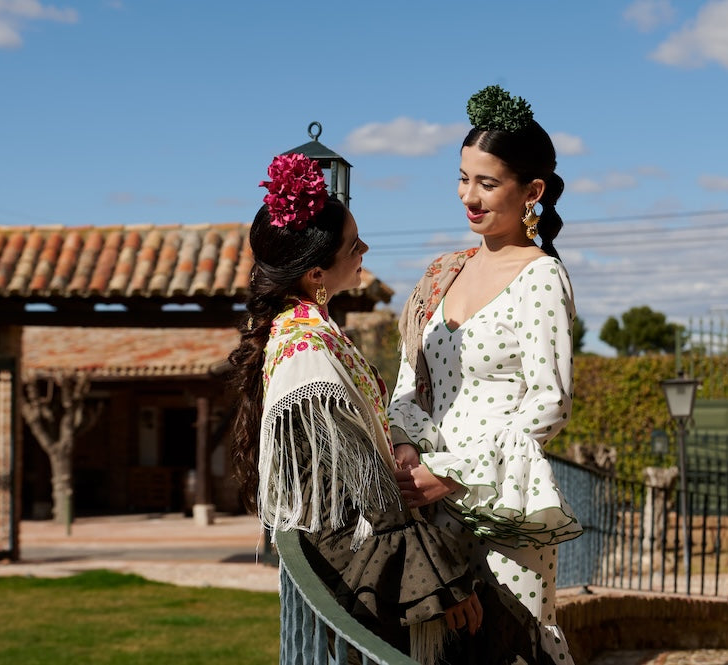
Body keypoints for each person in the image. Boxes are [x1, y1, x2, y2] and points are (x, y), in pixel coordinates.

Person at [228, 152, 551, 665]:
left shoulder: (307, 335)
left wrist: (401, 443)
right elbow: (345, 499)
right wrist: (437, 587)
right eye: (354, 245)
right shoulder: (307, 355)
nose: (365, 250)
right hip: (369, 580)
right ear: (316, 273)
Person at [388, 85, 584, 663]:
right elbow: (409, 377)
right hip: (424, 493)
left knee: (508, 643)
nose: (468, 197)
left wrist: (451, 473)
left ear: (533, 193)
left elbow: (550, 403)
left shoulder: (542, 276)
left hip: (502, 502)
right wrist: (405, 448)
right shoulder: (444, 271)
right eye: (462, 178)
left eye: (487, 183)